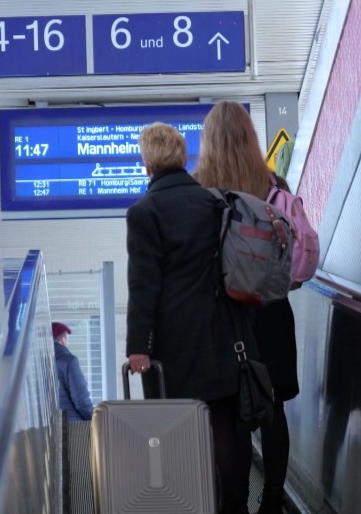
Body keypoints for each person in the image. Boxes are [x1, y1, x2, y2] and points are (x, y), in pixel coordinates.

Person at [125, 122, 256, 514]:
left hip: (176, 345)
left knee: (178, 429)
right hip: (226, 335)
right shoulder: (216, 203)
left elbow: (144, 286)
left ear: (147, 163)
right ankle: (234, 506)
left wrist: (138, 348)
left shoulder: (144, 213)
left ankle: (190, 503)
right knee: (227, 427)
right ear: (184, 158)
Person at [194, 100, 301, 514]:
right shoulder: (275, 184)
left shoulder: (198, 189)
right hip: (272, 307)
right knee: (274, 407)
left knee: (230, 412)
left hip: (225, 316)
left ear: (208, 142)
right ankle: (272, 501)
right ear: (251, 138)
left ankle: (233, 504)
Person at [52, 322, 94, 421]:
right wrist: (95, 419)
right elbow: (81, 401)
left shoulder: (39, 364)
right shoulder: (70, 361)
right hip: (73, 428)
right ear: (62, 340)